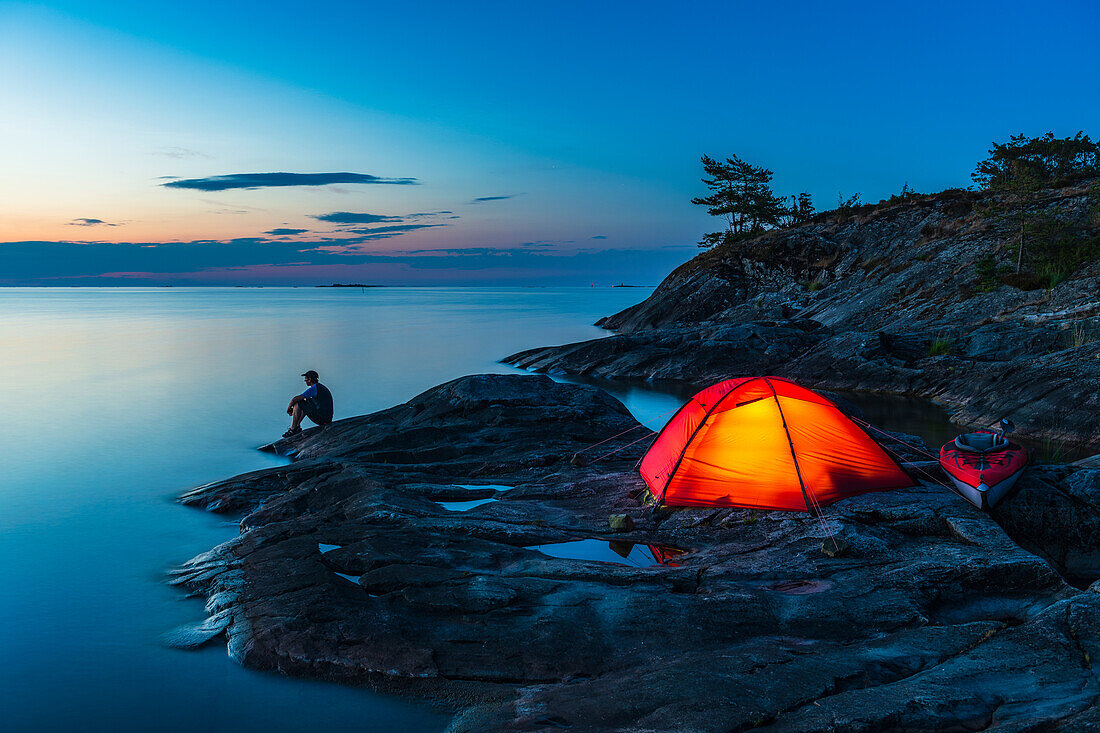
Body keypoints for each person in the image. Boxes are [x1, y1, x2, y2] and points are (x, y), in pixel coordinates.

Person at [283, 370, 333, 437]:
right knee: (306, 400)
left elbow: (295, 399)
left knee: (299, 402)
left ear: (309, 379)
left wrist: (289, 409)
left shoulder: (314, 388)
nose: (305, 381)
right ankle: (297, 426)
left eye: (306, 380)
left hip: (322, 419)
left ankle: (293, 428)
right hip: (327, 418)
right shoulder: (320, 387)